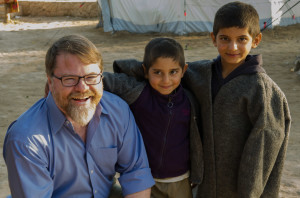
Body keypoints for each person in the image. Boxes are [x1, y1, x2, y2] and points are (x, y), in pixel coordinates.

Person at [3, 34, 155, 198]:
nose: (82, 88)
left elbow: (135, 173)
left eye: (91, 77)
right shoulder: (25, 140)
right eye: (70, 79)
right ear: (50, 82)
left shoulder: (118, 111)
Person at [181, 2, 291, 197]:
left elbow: (262, 154)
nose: (233, 47)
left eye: (242, 39)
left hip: (241, 192)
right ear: (213, 39)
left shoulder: (262, 91)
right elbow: (162, 70)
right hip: (203, 189)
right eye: (225, 38)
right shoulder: (198, 74)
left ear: (256, 40)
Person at [102, 37, 204, 198]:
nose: (166, 80)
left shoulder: (190, 100)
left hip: (180, 180)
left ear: (184, 70)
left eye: (173, 72)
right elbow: (103, 80)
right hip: (143, 181)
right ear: (145, 71)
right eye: (157, 72)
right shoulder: (138, 93)